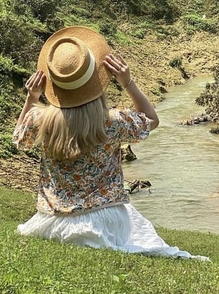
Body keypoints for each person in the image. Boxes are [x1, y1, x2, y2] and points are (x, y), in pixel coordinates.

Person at [12, 25, 208, 260]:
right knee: (135, 224)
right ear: (96, 80)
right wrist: (128, 82)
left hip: (51, 221)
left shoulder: (40, 120)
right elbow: (151, 120)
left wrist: (31, 98)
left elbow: (19, 139)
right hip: (104, 220)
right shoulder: (112, 122)